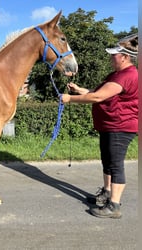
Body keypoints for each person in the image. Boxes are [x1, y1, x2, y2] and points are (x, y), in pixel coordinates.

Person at [61, 34, 138, 219]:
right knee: (107, 161)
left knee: (116, 165)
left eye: (114, 55)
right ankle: (106, 192)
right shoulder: (116, 74)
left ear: (125, 57)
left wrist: (70, 98)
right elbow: (98, 92)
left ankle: (114, 206)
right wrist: (80, 90)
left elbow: (97, 98)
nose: (111, 57)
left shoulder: (128, 75)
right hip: (109, 125)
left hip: (120, 126)